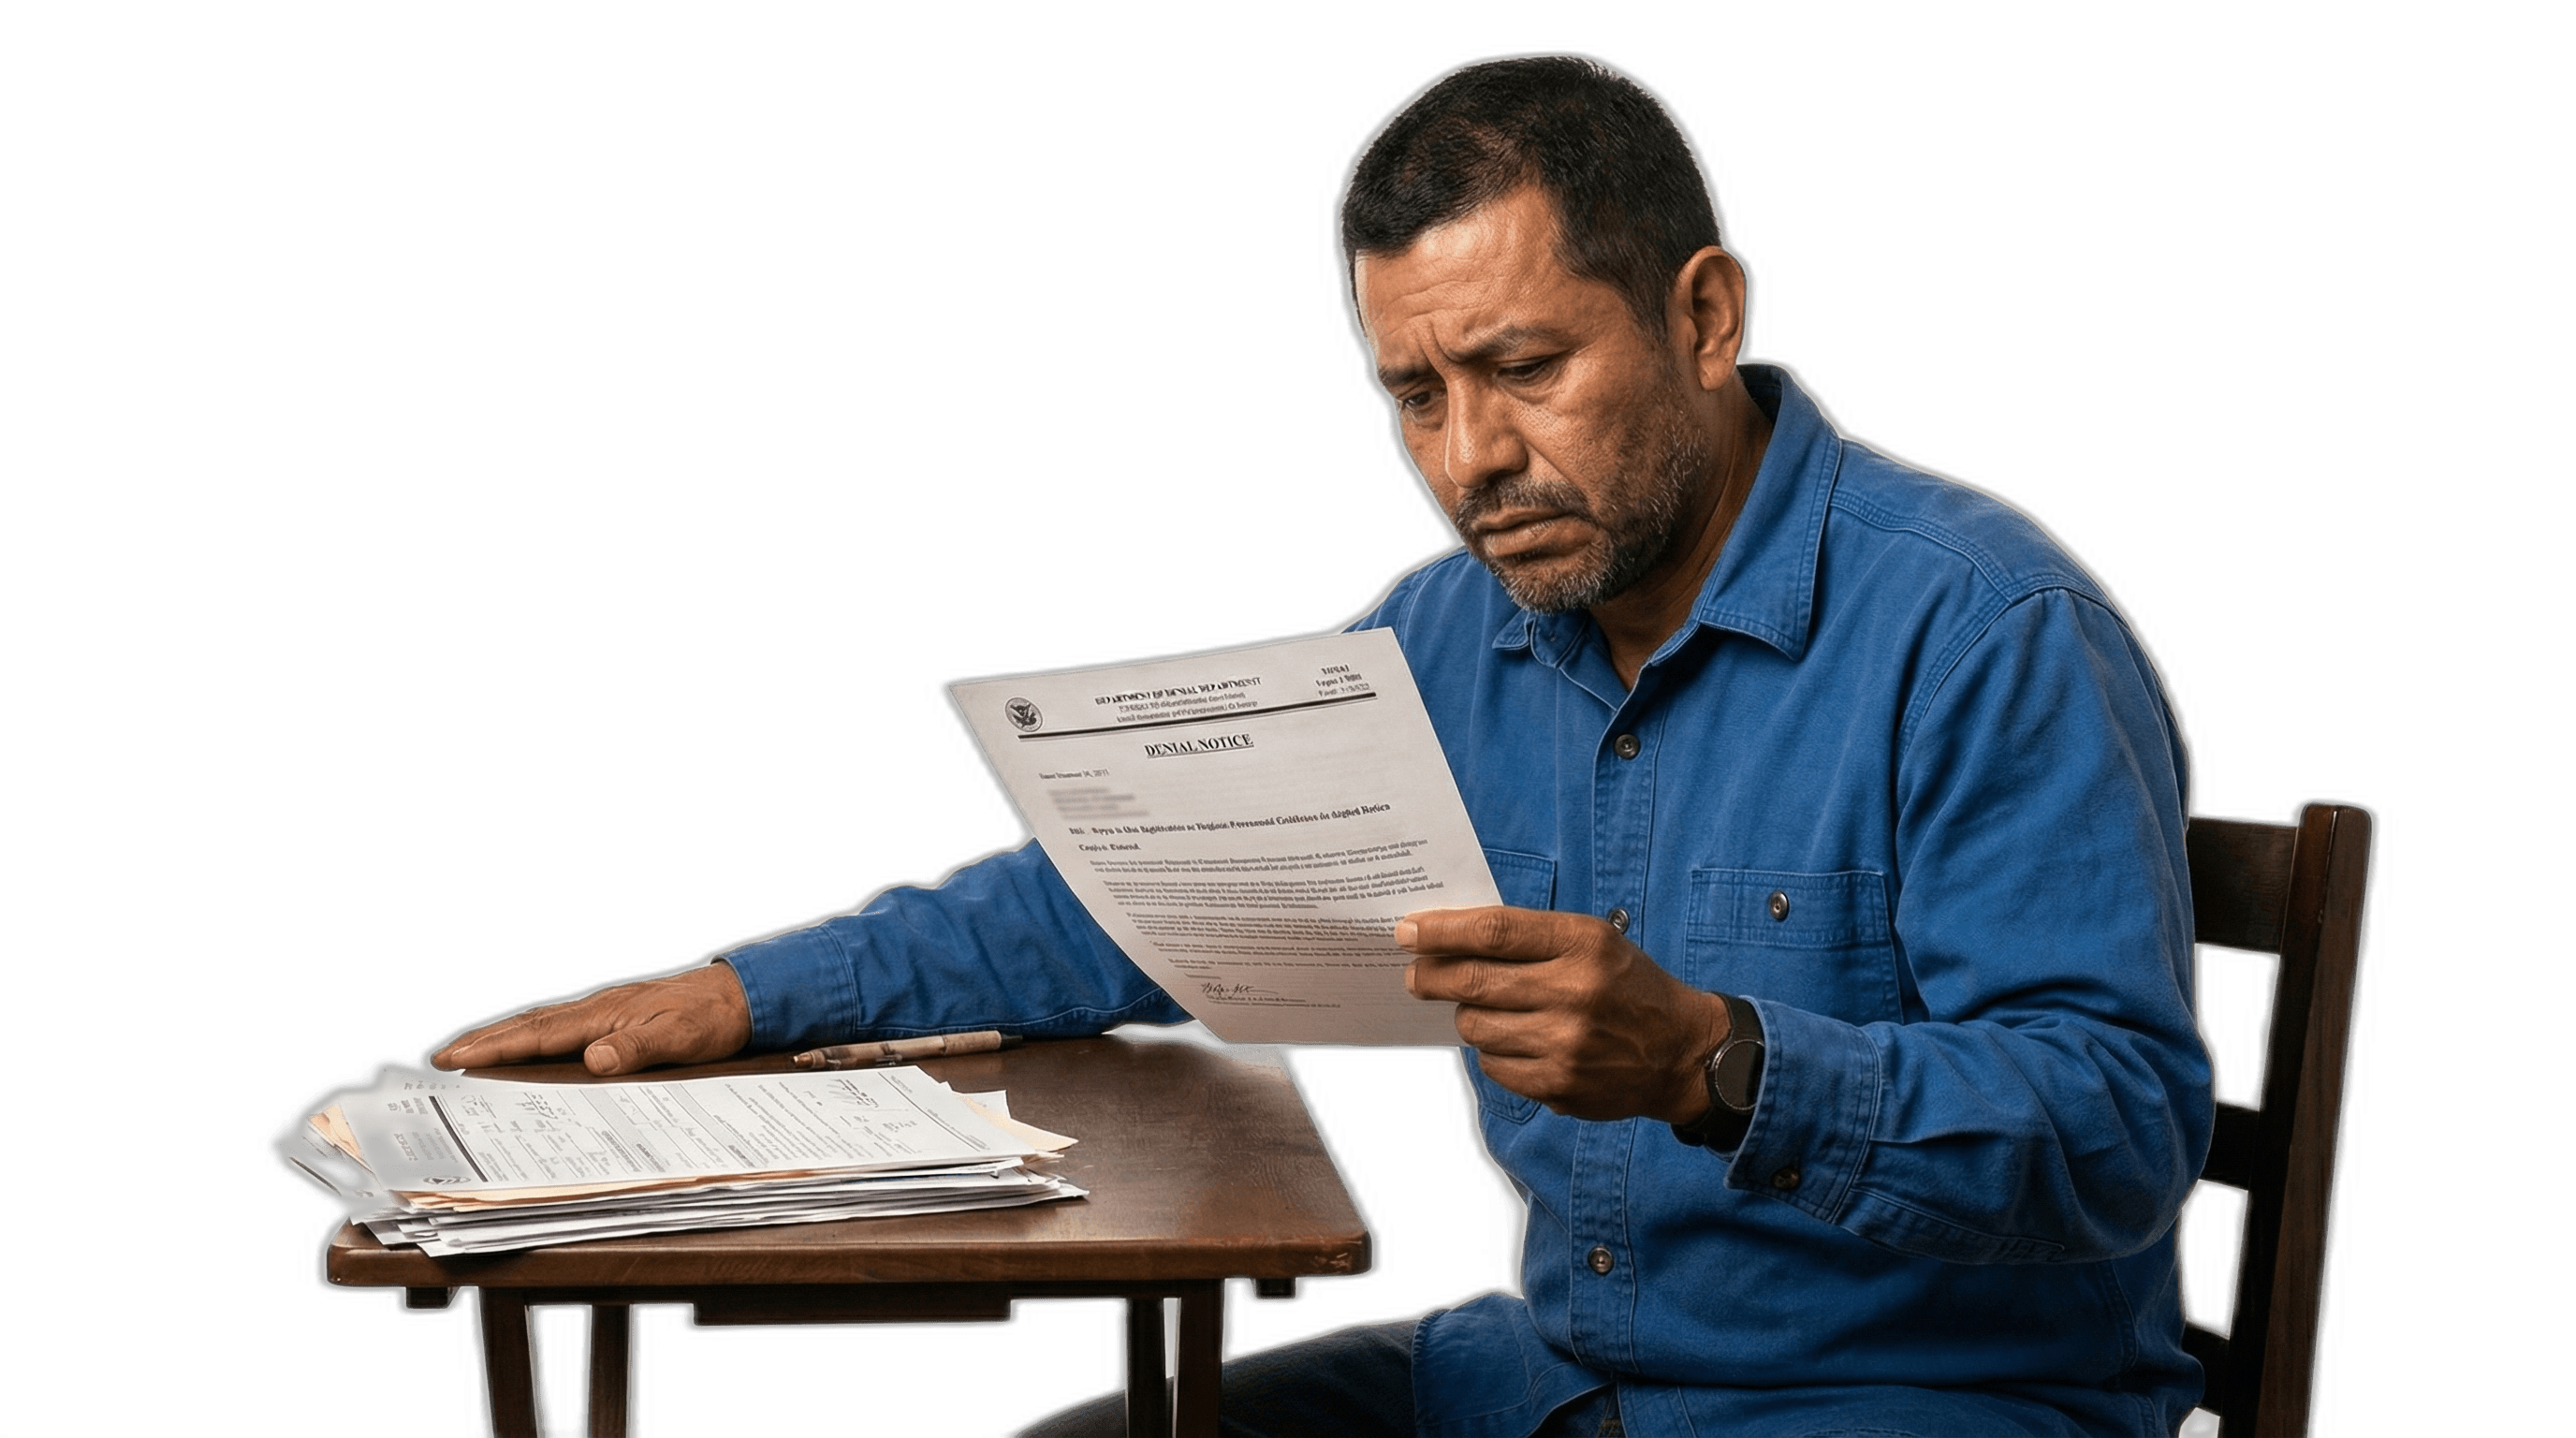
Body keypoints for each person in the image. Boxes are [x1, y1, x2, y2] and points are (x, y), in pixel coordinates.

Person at [436, 52, 2213, 1438]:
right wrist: (743, 995)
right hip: (1548, 1383)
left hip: (1920, 1404)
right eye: (1418, 397)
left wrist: (1715, 1061)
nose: (1472, 458)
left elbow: (2123, 1128)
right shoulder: (1444, 637)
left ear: (1703, 317)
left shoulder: (1984, 630)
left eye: (1525, 367)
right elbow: (1116, 906)